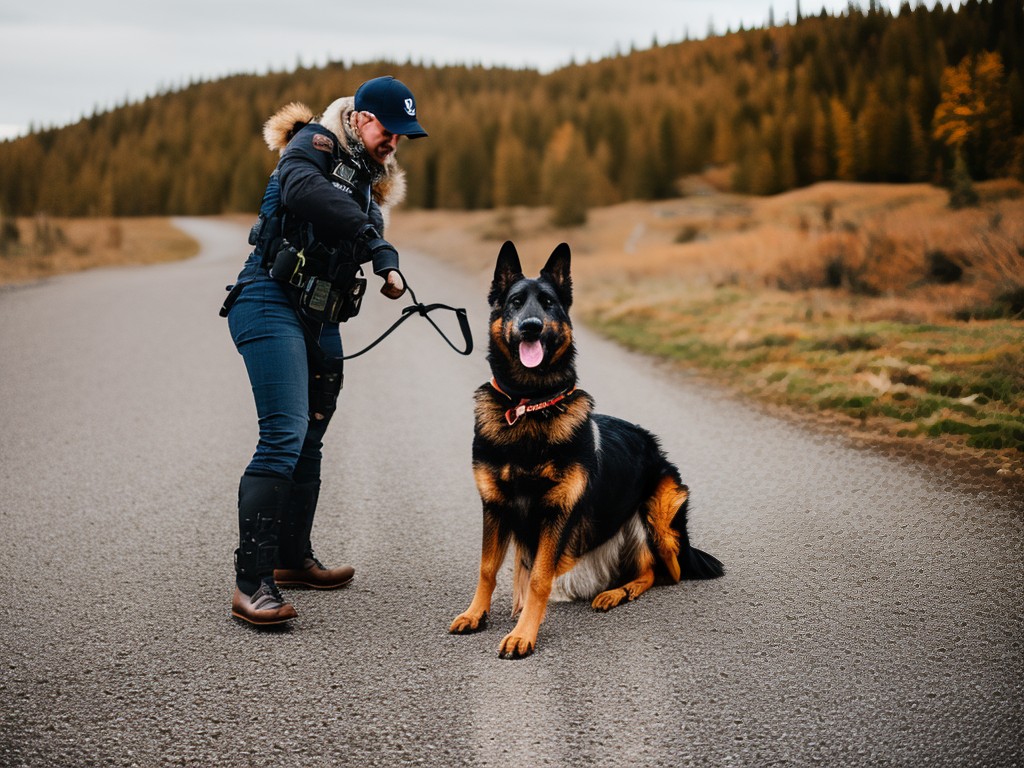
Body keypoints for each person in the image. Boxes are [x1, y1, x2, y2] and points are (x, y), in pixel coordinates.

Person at [220, 76, 428, 626]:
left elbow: (364, 229)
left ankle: (292, 559)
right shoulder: (311, 145)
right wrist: (375, 241)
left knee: (311, 434)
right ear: (360, 117)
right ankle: (251, 583)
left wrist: (384, 263)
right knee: (284, 433)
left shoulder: (367, 180)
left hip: (321, 315)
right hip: (266, 298)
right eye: (388, 128)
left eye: (404, 135)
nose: (394, 142)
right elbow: (301, 193)